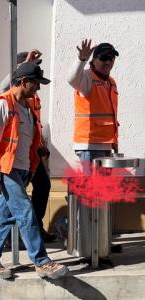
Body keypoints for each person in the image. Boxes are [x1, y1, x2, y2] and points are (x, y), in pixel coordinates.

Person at [0, 63, 69, 279]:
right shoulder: (1, 105)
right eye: (36, 84)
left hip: (22, 169)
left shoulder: (28, 108)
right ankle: (41, 261)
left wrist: (33, 164)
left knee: (4, 217)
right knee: (25, 212)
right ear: (23, 82)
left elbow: (29, 139)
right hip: (7, 170)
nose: (37, 89)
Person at [68, 39, 122, 253]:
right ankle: (85, 245)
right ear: (94, 59)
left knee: (102, 195)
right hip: (88, 145)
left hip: (105, 145)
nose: (108, 62)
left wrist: (114, 142)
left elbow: (111, 115)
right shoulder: (86, 79)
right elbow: (71, 78)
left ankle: (100, 242)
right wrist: (81, 58)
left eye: (112, 58)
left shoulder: (111, 82)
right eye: (104, 58)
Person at [0, 50, 56, 243]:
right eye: (31, 65)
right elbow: (4, 85)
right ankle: (13, 236)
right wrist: (23, 65)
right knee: (15, 200)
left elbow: (35, 124)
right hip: (15, 156)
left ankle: (35, 227)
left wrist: (41, 144)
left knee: (43, 185)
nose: (37, 67)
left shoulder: (33, 95)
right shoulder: (12, 91)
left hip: (32, 151)